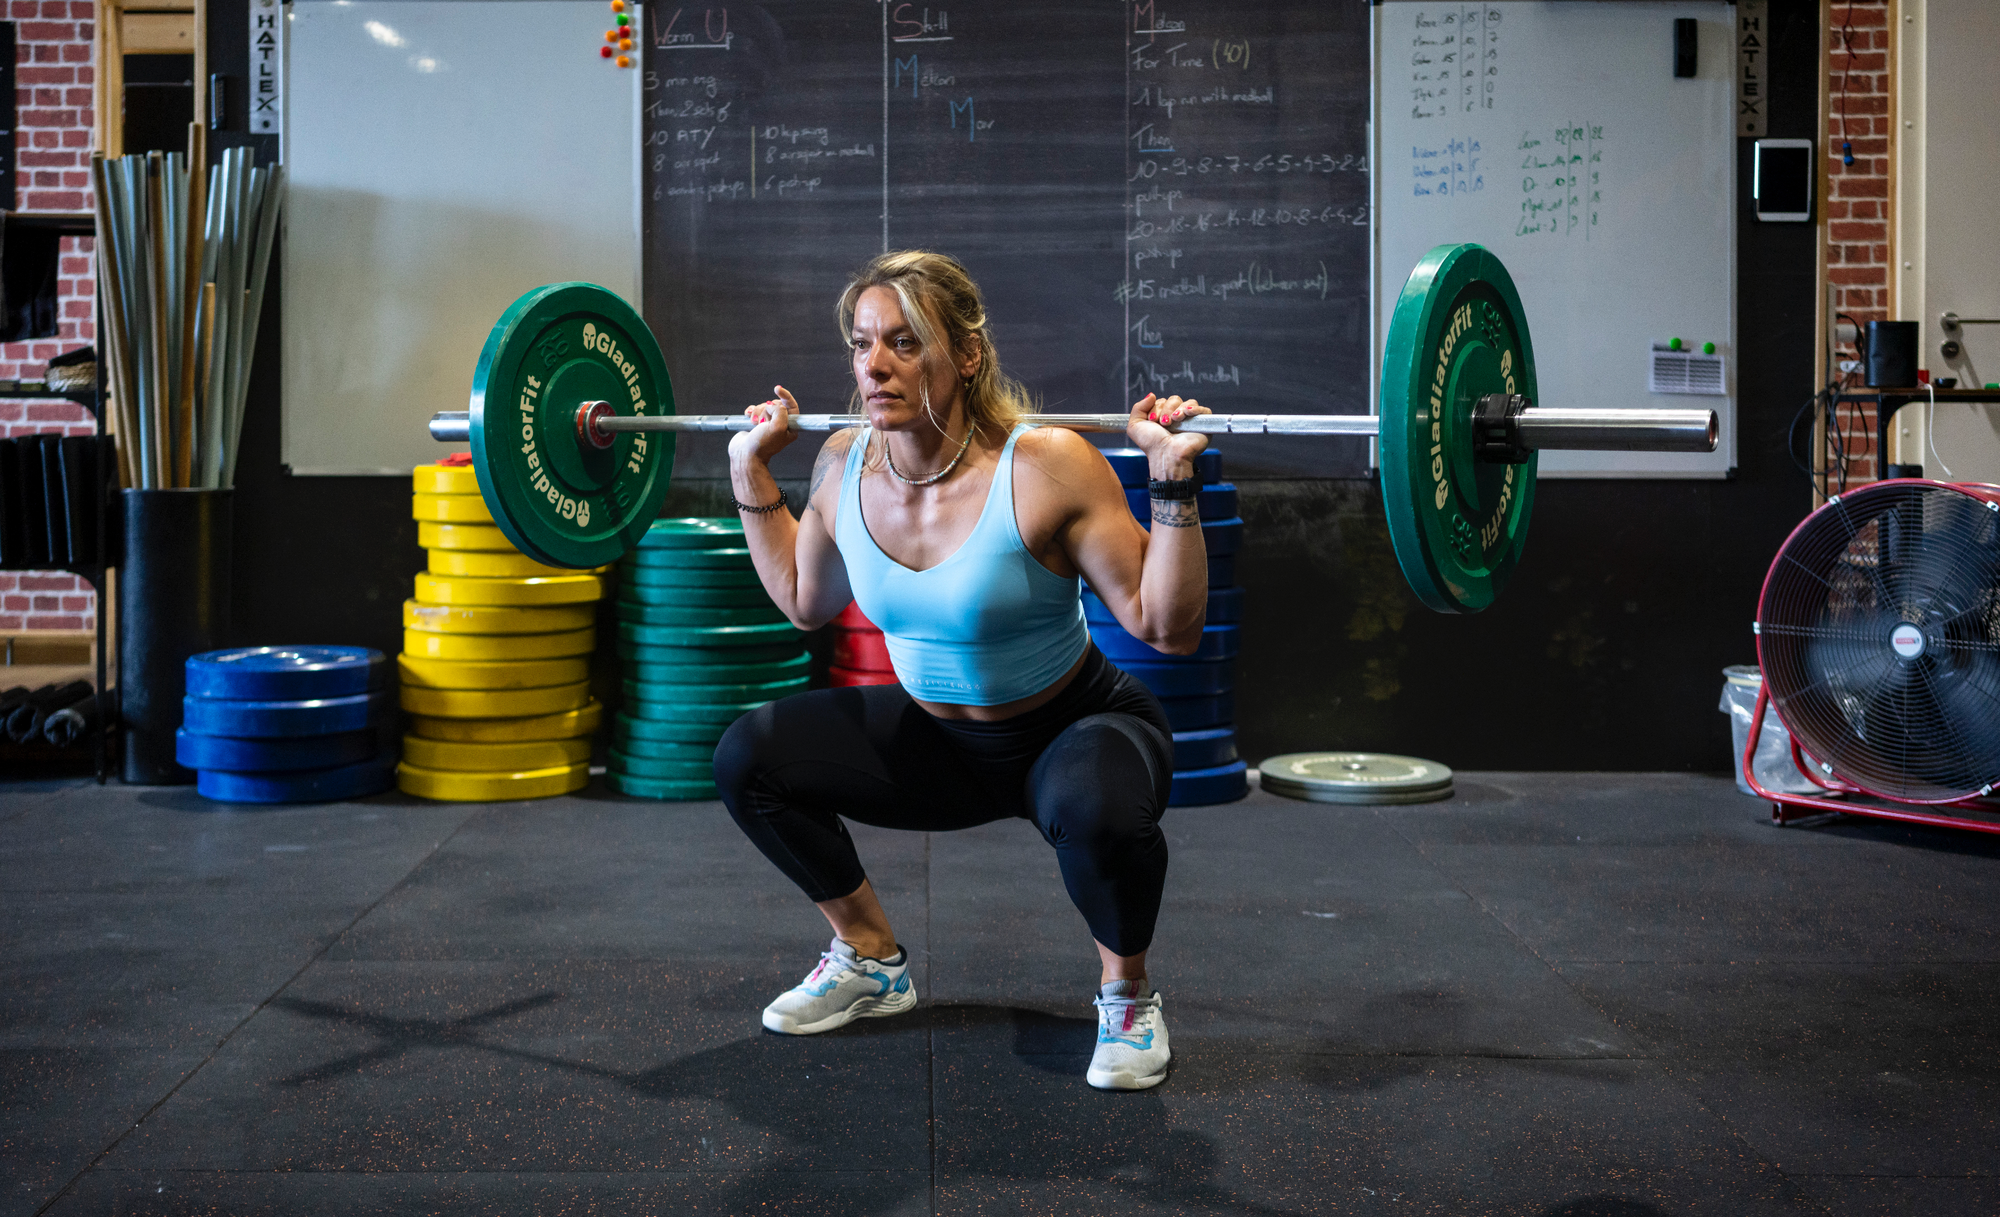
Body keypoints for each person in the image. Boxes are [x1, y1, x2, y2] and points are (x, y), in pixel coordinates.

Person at [712, 250, 1210, 1091]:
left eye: (904, 344)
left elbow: (1167, 626)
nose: (874, 365)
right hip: (939, 742)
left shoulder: (1046, 464)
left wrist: (1171, 480)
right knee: (747, 757)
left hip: (1075, 728)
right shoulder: (841, 465)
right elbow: (803, 597)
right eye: (863, 343)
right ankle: (871, 959)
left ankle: (1126, 995)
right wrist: (747, 471)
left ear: (967, 356)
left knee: (1096, 811)